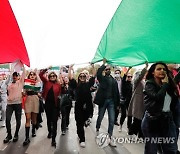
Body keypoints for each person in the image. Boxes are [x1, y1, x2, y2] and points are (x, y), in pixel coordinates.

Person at [141, 62, 178, 154]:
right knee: (151, 150)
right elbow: (158, 97)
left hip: (167, 120)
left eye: (164, 69)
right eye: (159, 69)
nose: (162, 71)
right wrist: (165, 85)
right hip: (152, 120)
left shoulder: (169, 84)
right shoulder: (149, 84)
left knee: (171, 149)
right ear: (153, 72)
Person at [95, 59, 120, 147]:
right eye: (106, 69)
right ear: (104, 71)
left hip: (111, 102)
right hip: (103, 101)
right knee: (100, 116)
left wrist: (117, 105)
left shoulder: (114, 81)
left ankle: (110, 137)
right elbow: (98, 73)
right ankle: (97, 127)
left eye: (109, 69)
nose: (108, 71)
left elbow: (117, 93)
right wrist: (104, 64)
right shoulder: (102, 79)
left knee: (112, 120)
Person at [69, 65, 95, 148]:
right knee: (79, 123)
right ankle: (82, 139)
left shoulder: (88, 84)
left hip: (87, 106)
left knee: (83, 122)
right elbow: (70, 78)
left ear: (86, 77)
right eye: (81, 76)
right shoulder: (76, 85)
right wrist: (70, 68)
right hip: (78, 107)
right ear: (79, 77)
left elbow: (94, 75)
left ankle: (85, 123)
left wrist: (93, 66)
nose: (82, 77)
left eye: (84, 76)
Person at [39, 67, 61, 147]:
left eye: (53, 76)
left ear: (56, 77)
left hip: (55, 106)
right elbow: (40, 74)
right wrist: (46, 69)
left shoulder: (58, 85)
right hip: (47, 105)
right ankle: (49, 132)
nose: (52, 77)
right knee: (49, 120)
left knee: (54, 122)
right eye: (51, 76)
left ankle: (54, 139)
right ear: (49, 77)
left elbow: (60, 94)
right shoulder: (46, 82)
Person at [4, 66, 26, 143]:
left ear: (18, 77)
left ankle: (16, 134)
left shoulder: (20, 83)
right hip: (9, 104)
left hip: (17, 104)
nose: (14, 77)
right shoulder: (8, 83)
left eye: (16, 75)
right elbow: (5, 83)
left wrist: (23, 67)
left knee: (18, 120)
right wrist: (11, 71)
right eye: (14, 75)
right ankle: (9, 135)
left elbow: (24, 74)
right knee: (7, 119)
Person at [127, 62, 148, 137]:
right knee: (137, 119)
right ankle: (131, 131)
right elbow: (140, 76)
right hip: (137, 103)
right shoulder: (136, 81)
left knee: (141, 119)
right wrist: (145, 67)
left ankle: (140, 134)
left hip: (143, 102)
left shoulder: (143, 81)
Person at [23, 70, 42, 146]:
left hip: (35, 100)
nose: (32, 76)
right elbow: (24, 92)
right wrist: (24, 92)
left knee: (34, 119)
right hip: (28, 100)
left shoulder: (37, 83)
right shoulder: (26, 83)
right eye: (30, 74)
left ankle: (33, 130)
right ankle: (27, 138)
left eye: (33, 74)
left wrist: (37, 74)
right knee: (28, 118)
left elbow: (40, 88)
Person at [119, 67, 133, 132]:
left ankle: (128, 128)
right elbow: (124, 76)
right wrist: (128, 69)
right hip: (124, 101)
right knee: (124, 114)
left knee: (130, 115)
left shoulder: (132, 84)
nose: (130, 77)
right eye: (128, 76)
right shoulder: (124, 83)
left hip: (130, 101)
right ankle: (121, 125)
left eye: (131, 76)